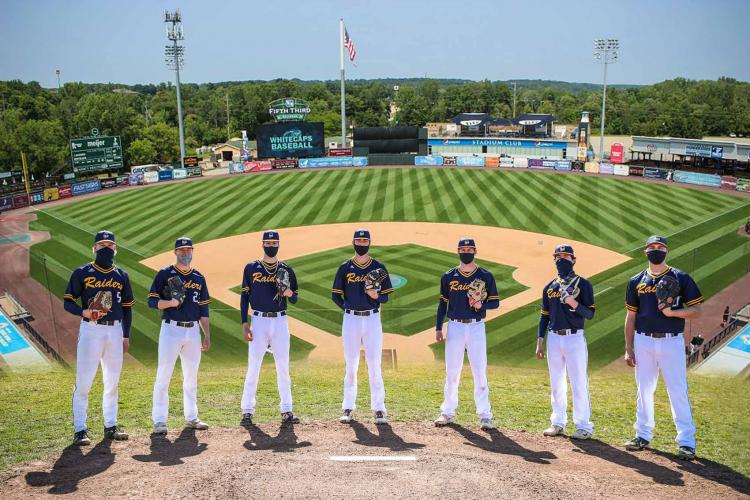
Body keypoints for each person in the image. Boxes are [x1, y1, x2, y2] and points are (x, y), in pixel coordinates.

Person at [623, 235, 703, 460]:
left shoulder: (681, 277)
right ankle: (642, 435)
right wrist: (629, 347)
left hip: (671, 341)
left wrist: (672, 313)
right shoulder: (636, 281)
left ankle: (686, 442)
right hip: (643, 341)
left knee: (677, 390)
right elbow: (631, 316)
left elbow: (697, 310)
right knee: (644, 390)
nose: (655, 250)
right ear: (645, 251)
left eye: (659, 247)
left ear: (666, 251)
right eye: (651, 247)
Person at [63, 230, 134, 445]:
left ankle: (111, 426)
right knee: (84, 383)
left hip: (114, 331)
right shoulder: (82, 273)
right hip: (91, 331)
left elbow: (128, 309)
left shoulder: (121, 275)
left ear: (115, 249)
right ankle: (80, 430)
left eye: (109, 245)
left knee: (112, 382)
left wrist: (125, 335)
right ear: (94, 249)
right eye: (101, 245)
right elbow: (68, 301)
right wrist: (83, 312)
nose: (106, 248)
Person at [434, 238, 500, 430]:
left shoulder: (485, 276)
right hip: (454, 327)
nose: (466, 251)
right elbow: (442, 304)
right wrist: (439, 327)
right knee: (452, 372)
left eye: (469, 249)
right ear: (458, 252)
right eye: (462, 249)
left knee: (479, 371)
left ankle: (485, 415)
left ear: (475, 251)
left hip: (476, 327)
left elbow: (495, 302)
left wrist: (482, 305)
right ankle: (447, 412)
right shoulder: (449, 276)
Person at [148, 237, 211, 435]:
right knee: (163, 376)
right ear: (175, 252)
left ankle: (191, 417)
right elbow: (152, 301)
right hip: (171, 330)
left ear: (192, 251)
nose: (185, 253)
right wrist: (170, 304)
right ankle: (159, 421)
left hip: (193, 331)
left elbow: (204, 309)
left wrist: (206, 334)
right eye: (181, 250)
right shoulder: (164, 274)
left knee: (191, 378)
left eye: (188, 250)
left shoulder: (199, 278)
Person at [331, 229, 394, 424]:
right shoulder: (345, 267)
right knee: (351, 365)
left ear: (369, 243)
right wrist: (347, 308)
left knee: (374, 364)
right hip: (351, 320)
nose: (361, 243)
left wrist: (377, 296)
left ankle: (379, 409)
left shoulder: (378, 267)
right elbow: (335, 295)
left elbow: (386, 296)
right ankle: (348, 407)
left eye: (364, 240)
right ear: (353, 242)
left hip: (372, 319)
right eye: (358, 240)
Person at [240, 230, 300, 426]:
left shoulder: (286, 270)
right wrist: (244, 323)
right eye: (268, 242)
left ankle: (287, 409)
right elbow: (244, 298)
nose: (271, 245)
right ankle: (247, 410)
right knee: (254, 367)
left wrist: (288, 292)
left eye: (274, 243)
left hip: (280, 322)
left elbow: (296, 298)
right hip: (259, 321)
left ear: (279, 245)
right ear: (263, 244)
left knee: (283, 367)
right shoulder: (251, 268)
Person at [535, 244, 595, 439]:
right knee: (556, 382)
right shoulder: (549, 287)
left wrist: (574, 303)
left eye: (566, 256)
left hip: (575, 338)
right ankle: (557, 422)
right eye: (558, 257)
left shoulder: (584, 285)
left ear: (574, 260)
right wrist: (540, 340)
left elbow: (590, 313)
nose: (561, 260)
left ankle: (583, 426)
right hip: (553, 338)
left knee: (578, 382)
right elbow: (544, 316)